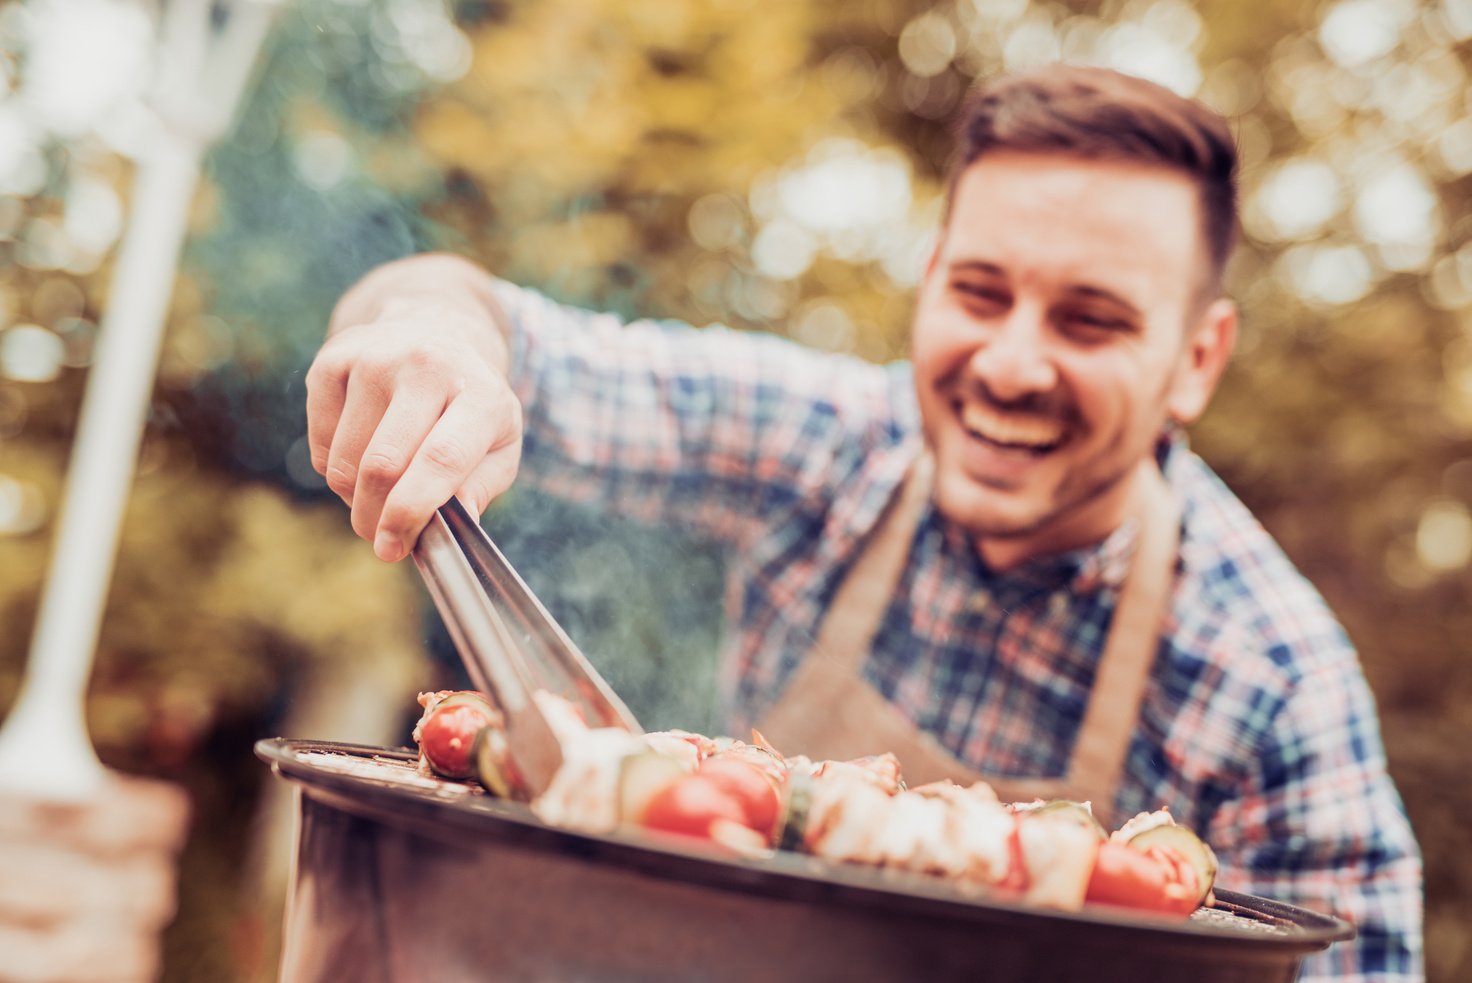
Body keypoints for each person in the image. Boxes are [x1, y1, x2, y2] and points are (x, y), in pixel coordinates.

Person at [305, 65, 1423, 980]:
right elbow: (483, 321)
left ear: (1194, 360)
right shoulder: (824, 444)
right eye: (980, 293)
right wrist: (430, 336)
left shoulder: (1272, 680)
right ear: (930, 279)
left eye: (1089, 320)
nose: (1011, 363)